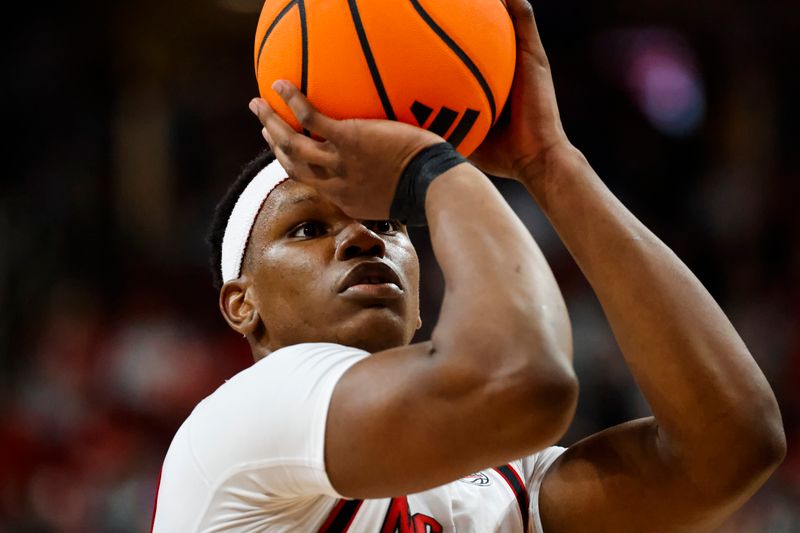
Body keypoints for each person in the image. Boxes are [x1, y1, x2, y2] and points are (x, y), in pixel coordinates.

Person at [150, 0, 785, 530]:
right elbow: (523, 380)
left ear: (426, 293)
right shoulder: (242, 424)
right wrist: (429, 169)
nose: (362, 241)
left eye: (388, 222)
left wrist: (551, 166)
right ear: (243, 305)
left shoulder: (501, 481)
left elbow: (734, 445)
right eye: (309, 228)